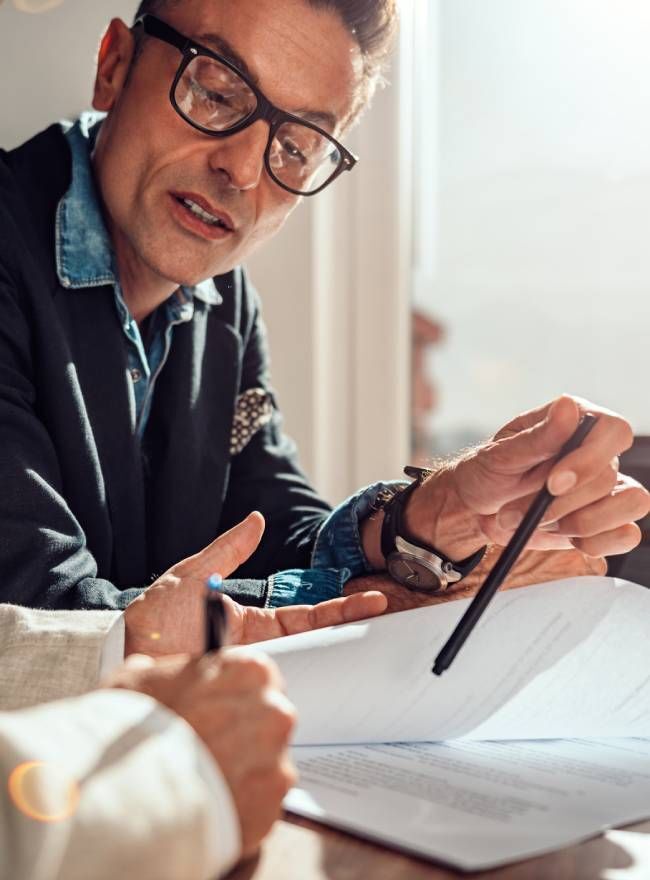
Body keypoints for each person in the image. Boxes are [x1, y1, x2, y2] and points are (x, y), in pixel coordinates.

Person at [0, 0, 648, 644]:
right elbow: (40, 621)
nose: (244, 169)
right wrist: (369, 600)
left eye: (296, 146)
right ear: (113, 64)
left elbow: (275, 529)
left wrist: (426, 521)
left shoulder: (225, 304)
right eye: (217, 92)